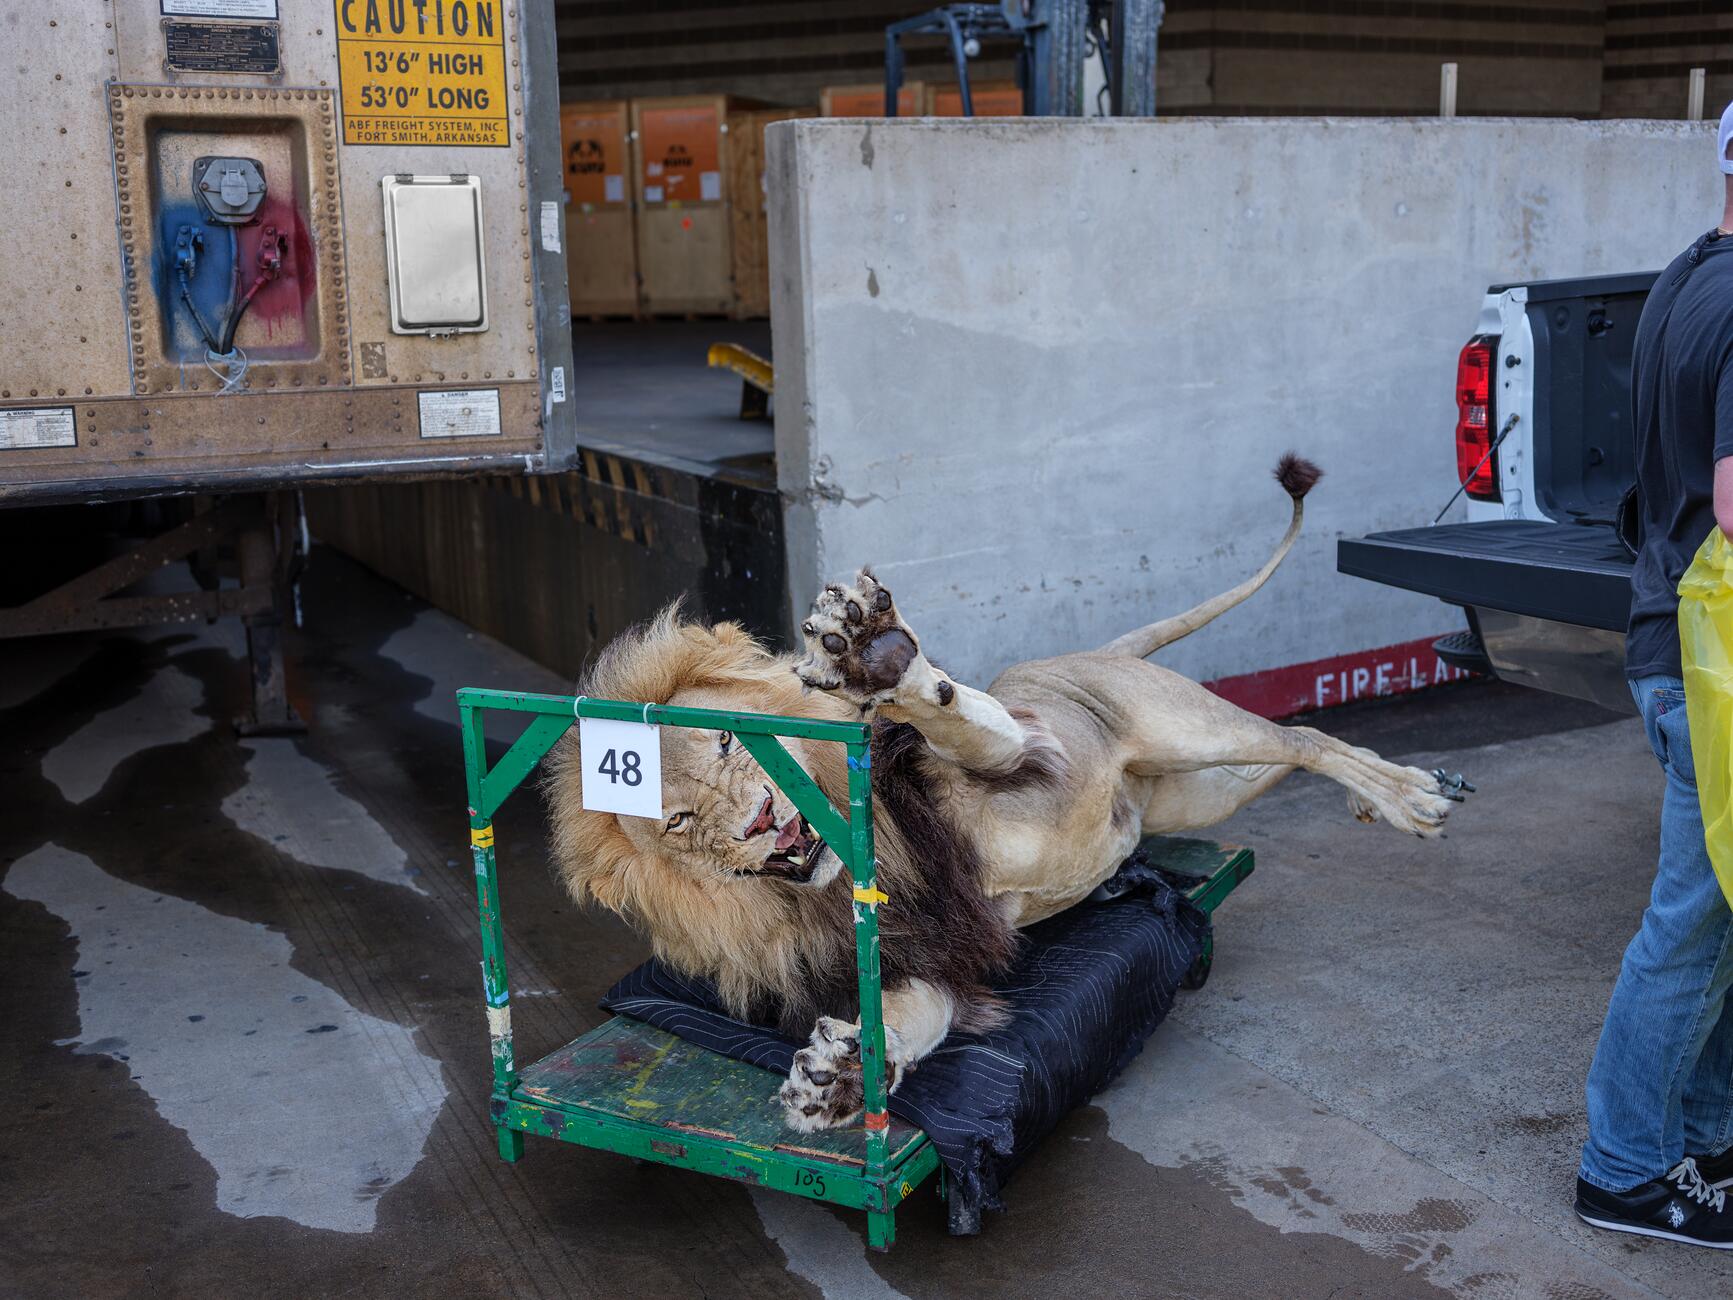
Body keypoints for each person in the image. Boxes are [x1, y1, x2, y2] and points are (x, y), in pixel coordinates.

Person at [1575, 101, 1733, 1248]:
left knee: (1720, 911)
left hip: (1665, 639)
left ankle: (1705, 1133)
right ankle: (1623, 1169)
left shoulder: (1685, 277)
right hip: (1715, 662)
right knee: (1690, 923)